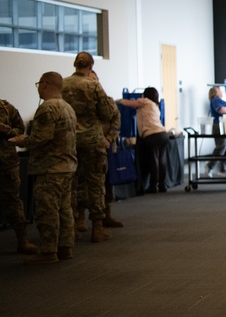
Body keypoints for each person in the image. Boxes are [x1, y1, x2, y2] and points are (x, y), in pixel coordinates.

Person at [9, 73, 77, 264]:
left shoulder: (47, 108)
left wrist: (23, 140)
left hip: (50, 168)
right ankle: (65, 247)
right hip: (67, 166)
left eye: (39, 84)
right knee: (65, 210)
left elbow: (41, 138)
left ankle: (48, 251)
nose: (38, 88)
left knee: (47, 211)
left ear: (45, 85)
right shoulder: (67, 107)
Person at [62, 51, 116, 242]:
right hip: (92, 139)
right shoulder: (93, 85)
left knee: (72, 183)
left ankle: (74, 225)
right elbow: (108, 112)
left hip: (69, 140)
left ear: (75, 65)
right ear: (91, 66)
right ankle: (98, 228)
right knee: (95, 183)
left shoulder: (63, 84)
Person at [0, 98, 38, 255]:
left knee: (14, 202)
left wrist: (6, 130)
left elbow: (20, 131)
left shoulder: (6, 107)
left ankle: (22, 241)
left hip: (6, 164)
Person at [117, 88, 171, 193]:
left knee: (154, 161)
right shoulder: (155, 105)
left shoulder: (145, 101)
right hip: (163, 134)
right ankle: (162, 185)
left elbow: (129, 103)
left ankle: (153, 186)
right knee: (162, 161)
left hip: (152, 135)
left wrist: (119, 101)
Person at [89, 70, 124, 228]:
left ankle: (106, 215)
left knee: (106, 183)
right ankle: (78, 221)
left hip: (103, 146)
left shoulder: (106, 100)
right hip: (82, 147)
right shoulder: (74, 100)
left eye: (94, 80)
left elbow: (116, 119)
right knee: (80, 186)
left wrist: (109, 138)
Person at [206, 86, 226, 178]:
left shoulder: (220, 100)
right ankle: (210, 166)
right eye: (219, 90)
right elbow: (221, 110)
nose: (221, 91)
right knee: (221, 147)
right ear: (215, 92)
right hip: (220, 126)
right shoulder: (215, 100)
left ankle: (223, 169)